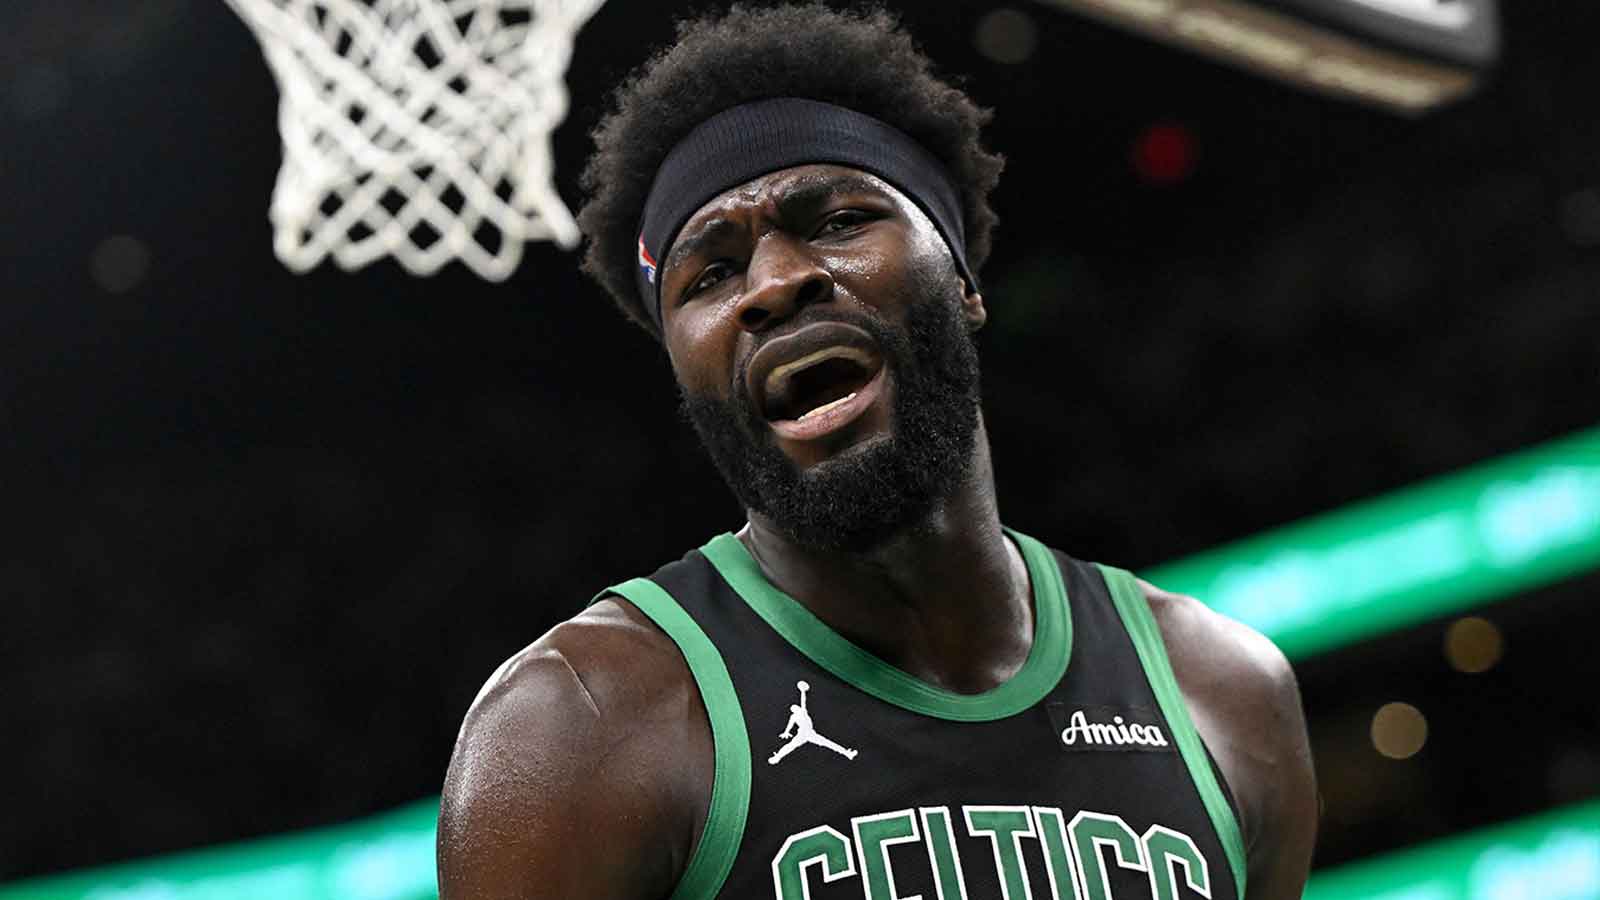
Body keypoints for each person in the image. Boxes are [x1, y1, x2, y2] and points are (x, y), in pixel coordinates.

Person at [437, 4, 1317, 899]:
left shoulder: (1223, 690)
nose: (775, 284)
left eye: (836, 221)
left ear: (963, 282)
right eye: (709, 275)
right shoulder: (580, 727)